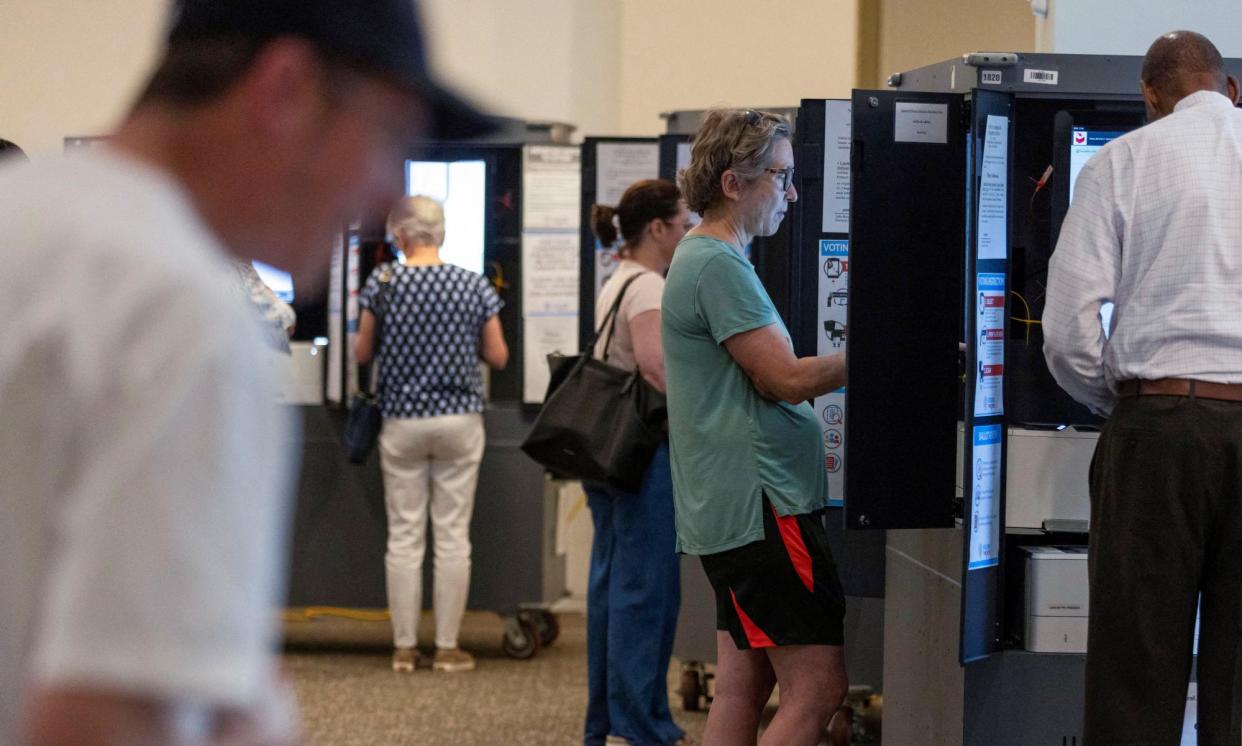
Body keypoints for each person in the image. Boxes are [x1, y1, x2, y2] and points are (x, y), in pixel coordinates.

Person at [0, 1, 494, 743]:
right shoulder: (180, 310)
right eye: (387, 137)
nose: (385, 196)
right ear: (285, 87)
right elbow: (115, 716)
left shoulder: (27, 222)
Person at [1042, 31, 1242, 744]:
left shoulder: (1123, 161)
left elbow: (1067, 331)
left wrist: (1123, 399)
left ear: (1151, 98)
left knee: (1137, 669)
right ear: (1231, 90)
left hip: (1159, 429)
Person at [661, 109, 848, 746]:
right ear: (734, 183)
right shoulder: (717, 266)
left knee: (744, 685)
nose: (792, 193)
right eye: (781, 176)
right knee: (818, 688)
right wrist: (889, 354)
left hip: (737, 510)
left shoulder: (706, 259)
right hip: (764, 510)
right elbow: (787, 380)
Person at [355, 195, 508, 674]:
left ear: (400, 237)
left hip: (402, 420)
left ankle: (404, 648)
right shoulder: (473, 285)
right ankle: (447, 646)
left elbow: (361, 354)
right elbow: (499, 356)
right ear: (440, 233)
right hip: (460, 421)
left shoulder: (382, 283)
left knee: (404, 536)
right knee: (452, 536)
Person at [583, 179, 692, 746]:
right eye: (681, 226)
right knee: (644, 591)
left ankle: (607, 719)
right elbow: (656, 370)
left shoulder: (618, 278)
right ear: (657, 229)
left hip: (605, 452)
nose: (686, 235)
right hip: (642, 455)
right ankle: (642, 723)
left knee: (611, 586)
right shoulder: (649, 285)